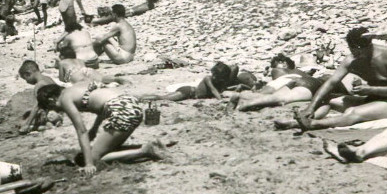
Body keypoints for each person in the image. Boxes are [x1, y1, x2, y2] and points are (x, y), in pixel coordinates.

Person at [291, 27, 387, 131]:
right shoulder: (352, 59)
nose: (355, 54)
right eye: (352, 50)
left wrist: (370, 90)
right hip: (372, 99)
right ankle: (303, 120)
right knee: (329, 99)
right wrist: (310, 107)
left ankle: (313, 124)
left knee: (353, 112)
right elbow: (331, 83)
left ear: (369, 45)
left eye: (359, 51)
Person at [35, 82, 163, 176]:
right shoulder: (76, 88)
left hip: (121, 111)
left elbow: (81, 131)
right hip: (132, 106)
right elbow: (102, 105)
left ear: (51, 100)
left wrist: (89, 163)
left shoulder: (64, 99)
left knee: (95, 158)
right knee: (110, 147)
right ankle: (146, 148)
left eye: (50, 107)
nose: (56, 110)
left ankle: (143, 151)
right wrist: (95, 129)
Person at [233, 54, 346, 111]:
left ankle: (241, 96)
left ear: (284, 63)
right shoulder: (300, 72)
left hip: (293, 81)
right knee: (281, 99)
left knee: (271, 95)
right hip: (309, 83)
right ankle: (246, 104)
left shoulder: (279, 71)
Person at [160, 62, 240, 101]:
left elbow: (234, 68)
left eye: (217, 77)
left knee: (164, 98)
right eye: (214, 75)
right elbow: (214, 91)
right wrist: (221, 100)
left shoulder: (218, 82)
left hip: (189, 93)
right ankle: (147, 98)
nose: (215, 77)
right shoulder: (208, 78)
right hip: (188, 92)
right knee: (162, 98)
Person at [91, 0, 160, 25]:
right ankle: (98, 18)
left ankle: (96, 21)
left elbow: (137, 10)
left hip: (130, 12)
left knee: (113, 16)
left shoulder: (150, 5)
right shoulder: (147, 4)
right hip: (130, 11)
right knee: (112, 14)